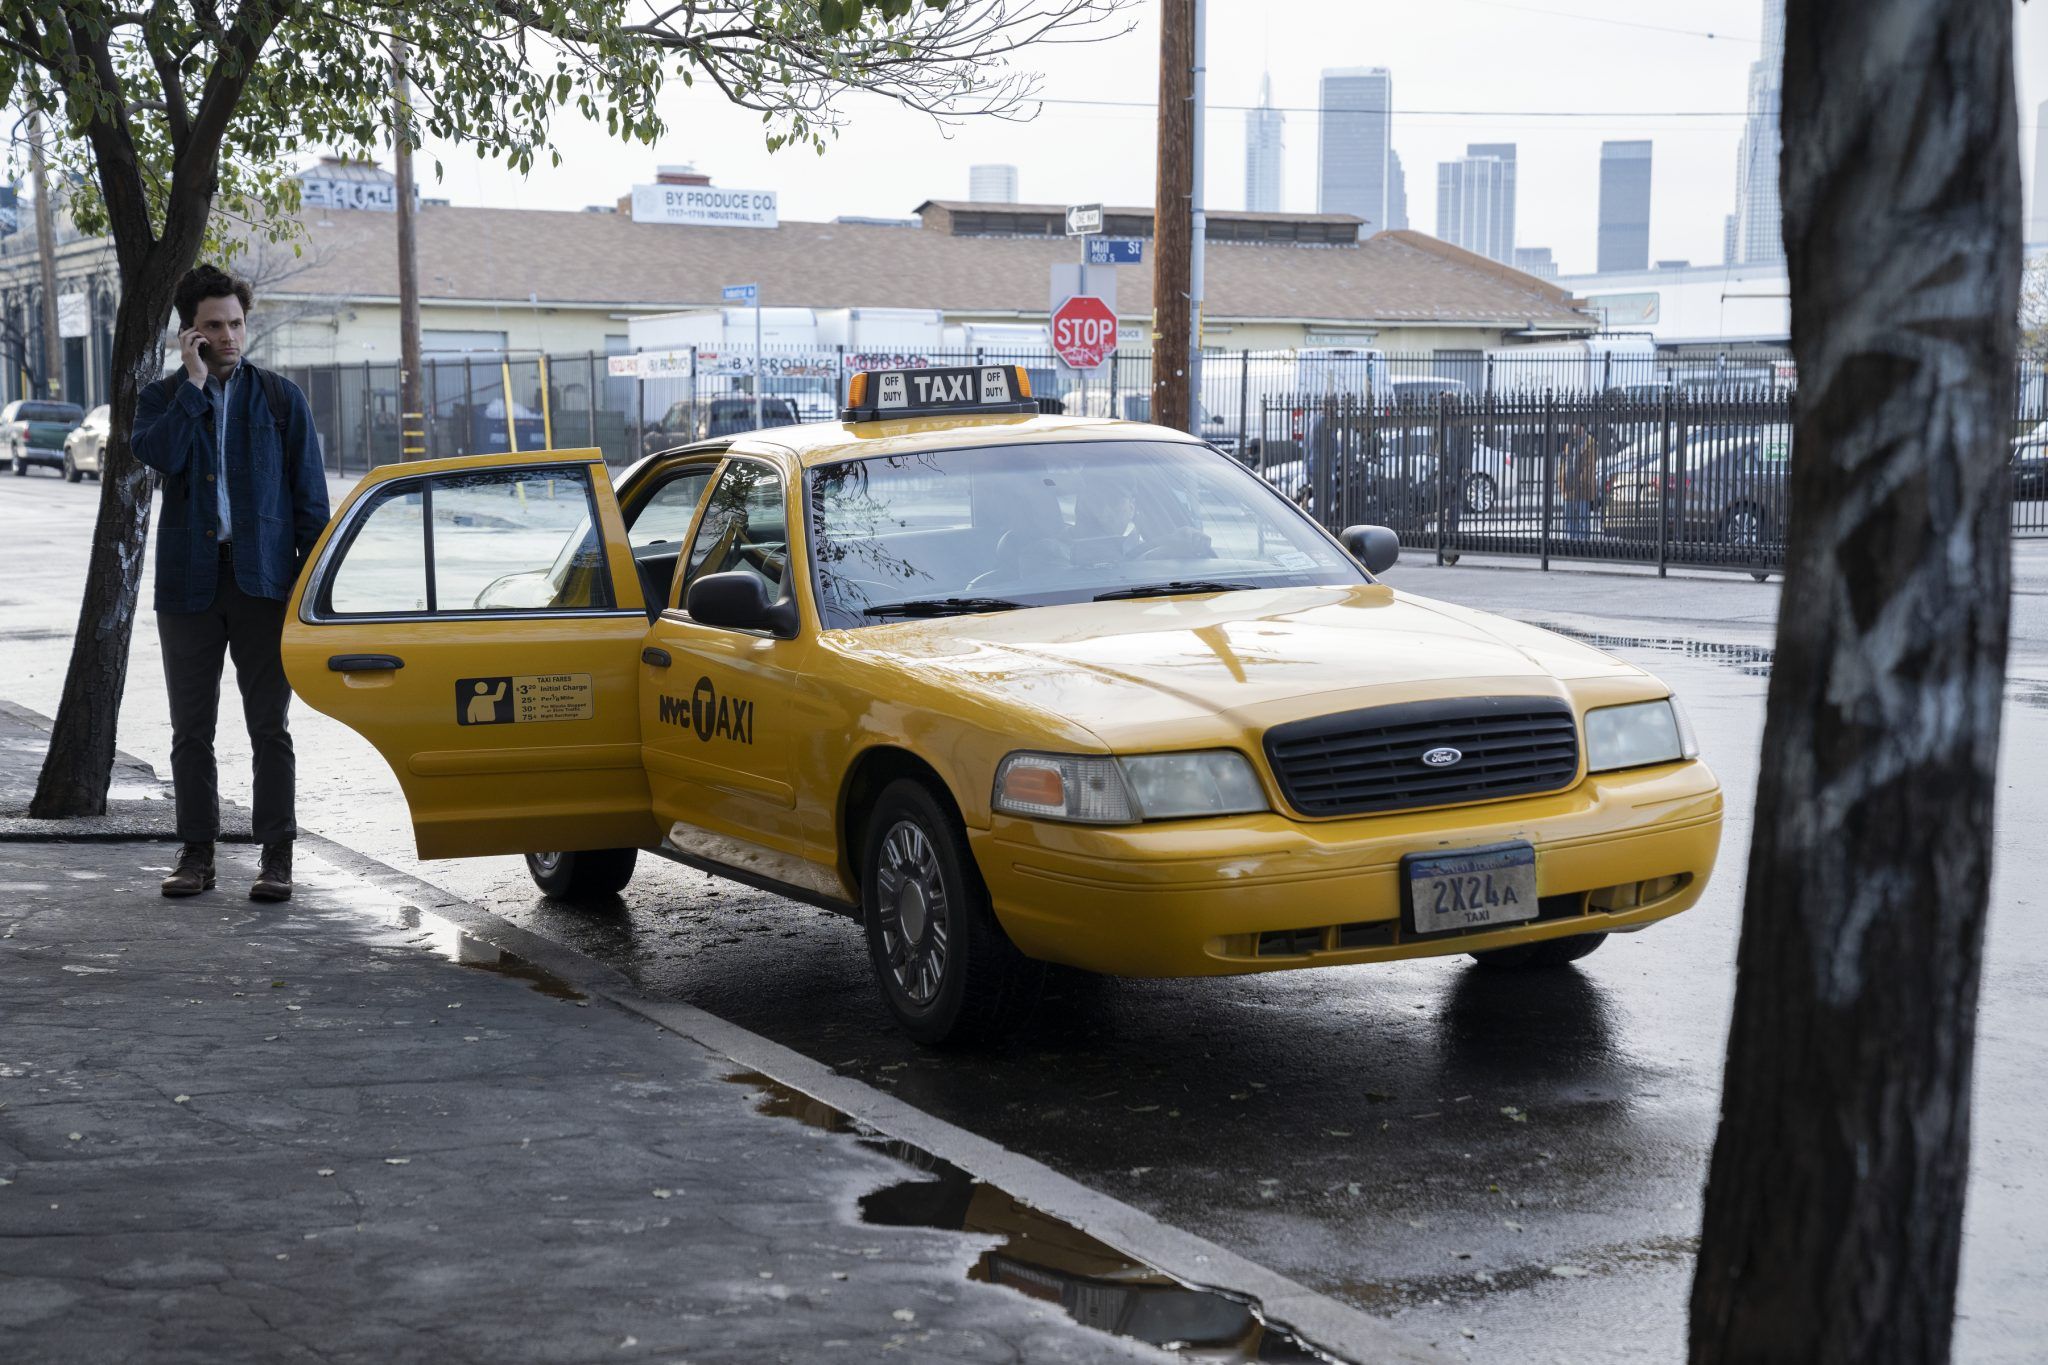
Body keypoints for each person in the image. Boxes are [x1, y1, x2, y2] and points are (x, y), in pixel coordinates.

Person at [132, 264, 329, 902]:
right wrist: (193, 385)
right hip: (187, 585)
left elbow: (310, 505)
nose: (228, 336)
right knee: (191, 731)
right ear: (191, 332)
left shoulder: (279, 399)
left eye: (236, 323)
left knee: (268, 726)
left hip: (263, 586)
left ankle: (277, 857)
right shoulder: (163, 399)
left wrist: (306, 590)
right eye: (213, 326)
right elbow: (157, 456)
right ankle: (197, 855)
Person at [1558, 422, 1597, 540]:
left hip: (1583, 485)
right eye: (1573, 425)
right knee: (1569, 517)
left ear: (1582, 427)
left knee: (1583, 516)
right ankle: (1571, 540)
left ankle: (1584, 541)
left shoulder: (1590, 443)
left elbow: (1591, 465)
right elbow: (1564, 462)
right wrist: (1561, 477)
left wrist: (1581, 479)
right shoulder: (1570, 444)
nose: (1574, 427)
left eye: (1576, 425)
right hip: (1569, 485)